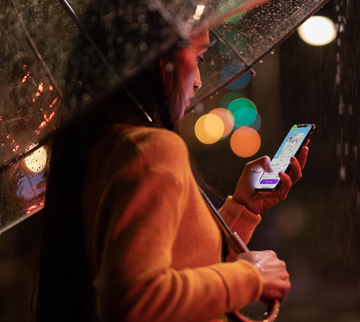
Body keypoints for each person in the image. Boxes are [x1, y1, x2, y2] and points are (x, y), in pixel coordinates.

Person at [35, 21, 309, 322]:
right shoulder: (153, 150)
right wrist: (251, 276)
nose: (199, 81)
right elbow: (133, 301)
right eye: (199, 57)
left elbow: (181, 265)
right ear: (159, 57)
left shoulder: (104, 146)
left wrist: (243, 206)